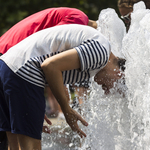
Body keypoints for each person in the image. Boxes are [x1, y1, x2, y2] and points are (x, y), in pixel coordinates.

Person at [0, 24, 125, 150]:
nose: (107, 92)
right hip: (23, 71)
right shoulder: (101, 52)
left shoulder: (97, 59)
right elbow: (50, 66)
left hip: (10, 67)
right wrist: (66, 108)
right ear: (121, 74)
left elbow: (47, 64)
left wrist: (34, 102)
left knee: (14, 145)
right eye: (114, 88)